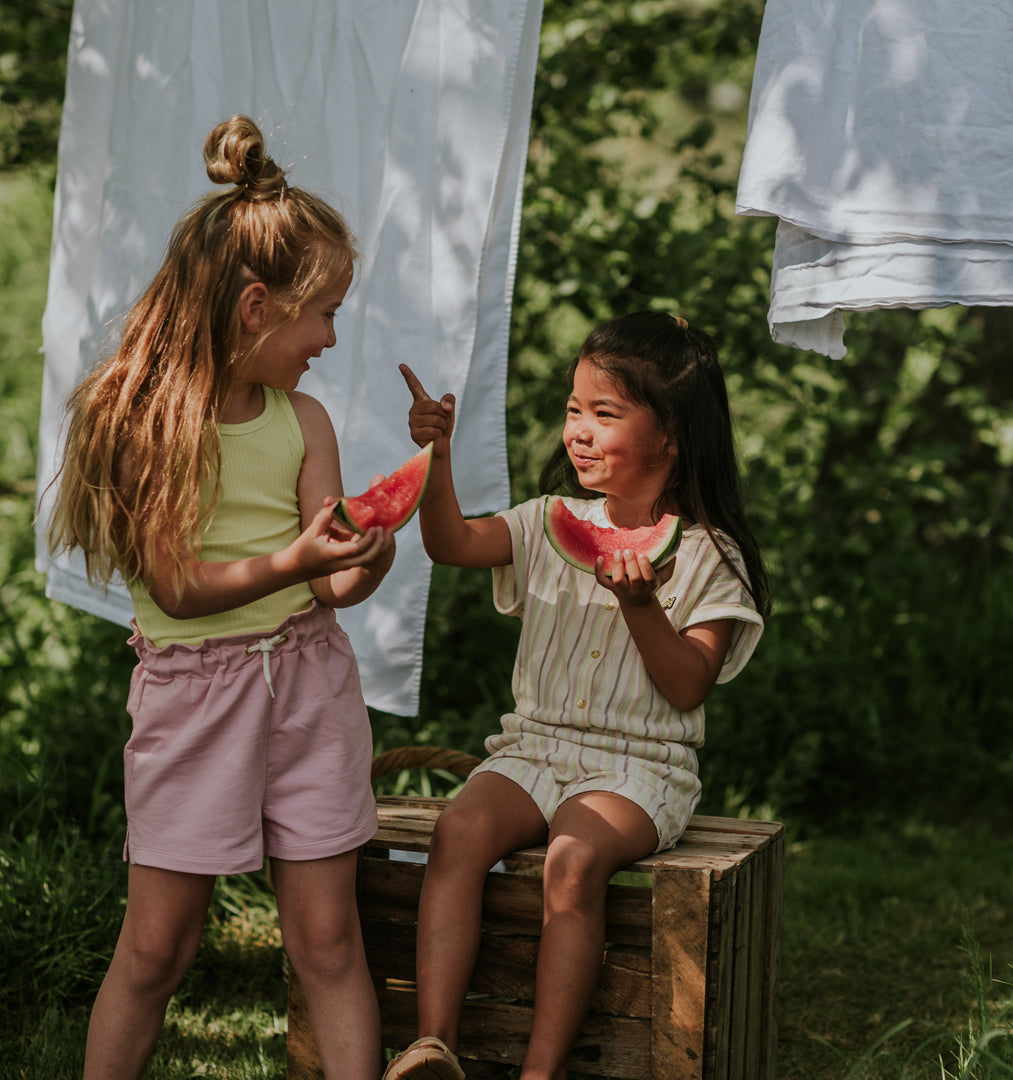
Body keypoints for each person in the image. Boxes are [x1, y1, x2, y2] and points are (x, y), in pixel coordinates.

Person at [46, 114, 389, 1080]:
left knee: (329, 942)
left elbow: (330, 583)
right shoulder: (144, 421)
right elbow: (177, 588)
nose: (329, 338)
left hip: (311, 687)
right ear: (256, 307)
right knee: (156, 950)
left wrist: (370, 557)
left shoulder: (303, 420)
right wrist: (297, 561)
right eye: (323, 314)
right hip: (194, 698)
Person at [388, 311, 769, 1080]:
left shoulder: (710, 556)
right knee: (457, 831)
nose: (579, 432)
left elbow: (687, 685)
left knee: (572, 859)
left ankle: (541, 1071)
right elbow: (451, 543)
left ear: (670, 435)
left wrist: (641, 607)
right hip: (532, 747)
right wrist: (437, 458)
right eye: (573, 409)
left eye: (605, 413)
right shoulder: (546, 523)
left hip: (641, 767)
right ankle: (435, 1046)